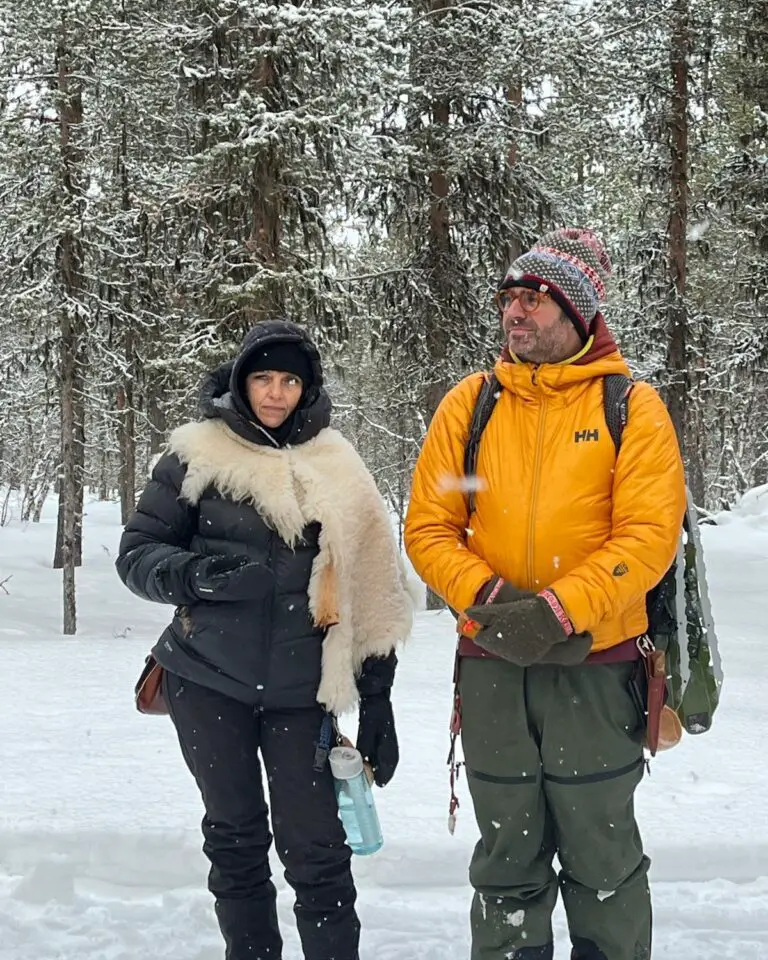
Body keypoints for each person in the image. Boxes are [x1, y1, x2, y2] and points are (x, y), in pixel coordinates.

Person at [404, 230, 686, 960]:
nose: (514, 313)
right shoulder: (470, 406)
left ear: (578, 310)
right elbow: (430, 529)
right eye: (509, 298)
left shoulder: (631, 408)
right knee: (506, 863)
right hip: (493, 669)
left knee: (603, 862)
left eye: (533, 298)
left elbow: (648, 537)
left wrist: (558, 611)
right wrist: (498, 605)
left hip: (597, 669)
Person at [116, 320, 413, 960]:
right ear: (239, 382)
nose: (275, 393)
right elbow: (137, 554)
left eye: (288, 381)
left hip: (303, 692)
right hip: (207, 681)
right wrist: (197, 575)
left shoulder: (339, 465)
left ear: (305, 390)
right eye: (262, 378)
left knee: (317, 848)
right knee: (235, 836)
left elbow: (375, 588)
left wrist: (378, 701)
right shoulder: (195, 454)